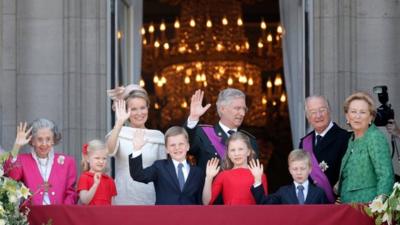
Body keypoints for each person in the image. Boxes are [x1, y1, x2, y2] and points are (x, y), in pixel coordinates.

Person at [106, 84, 166, 205]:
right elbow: (109, 150)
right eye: (133, 109)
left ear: (148, 107)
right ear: (126, 111)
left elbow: (163, 172)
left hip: (150, 197)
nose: (139, 113)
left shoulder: (158, 136)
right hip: (123, 196)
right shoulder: (119, 132)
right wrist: (118, 124)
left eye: (142, 107)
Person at [5, 119, 77, 205]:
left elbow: (71, 193)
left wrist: (62, 213)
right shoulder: (22, 160)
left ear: (53, 140)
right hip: (32, 215)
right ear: (32, 141)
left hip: (60, 215)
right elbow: (11, 177)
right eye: (39, 139)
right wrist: (16, 146)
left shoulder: (67, 162)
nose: (44, 144)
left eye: (48, 139)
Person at [338, 92, 394, 203]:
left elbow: (385, 175)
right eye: (353, 112)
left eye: (362, 112)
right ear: (347, 116)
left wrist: (379, 207)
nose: (357, 116)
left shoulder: (374, 137)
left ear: (371, 117)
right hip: (348, 207)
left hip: (367, 209)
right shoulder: (352, 139)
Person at [185, 89, 258, 171]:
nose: (242, 113)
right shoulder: (203, 134)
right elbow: (183, 147)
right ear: (222, 109)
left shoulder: (250, 140)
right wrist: (193, 118)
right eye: (237, 108)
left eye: (244, 109)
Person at [129, 126, 204, 205]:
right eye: (172, 145)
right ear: (166, 149)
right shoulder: (159, 167)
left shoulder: (198, 172)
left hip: (190, 216)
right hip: (164, 216)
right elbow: (138, 175)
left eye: (181, 144)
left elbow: (199, 201)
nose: (177, 148)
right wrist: (137, 149)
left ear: (188, 146)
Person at [299, 95, 350, 202]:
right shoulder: (304, 142)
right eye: (313, 112)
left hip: (336, 204)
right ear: (307, 116)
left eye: (322, 110)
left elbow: (350, 174)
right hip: (311, 205)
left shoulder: (345, 138)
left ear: (329, 111)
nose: (318, 115)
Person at [202, 132, 267, 205]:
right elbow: (206, 202)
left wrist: (258, 179)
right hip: (230, 215)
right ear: (228, 154)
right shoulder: (223, 175)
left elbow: (264, 204)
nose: (236, 154)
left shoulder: (259, 175)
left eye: (240, 149)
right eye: (232, 150)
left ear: (248, 151)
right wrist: (209, 178)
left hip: (252, 216)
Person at [251, 149, 328, 204]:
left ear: (310, 169)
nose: (299, 172)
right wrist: (257, 180)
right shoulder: (283, 192)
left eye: (303, 168)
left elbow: (327, 216)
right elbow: (265, 203)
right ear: (290, 170)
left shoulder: (319, 193)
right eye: (295, 169)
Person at [77, 140, 117, 205]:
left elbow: (113, 204)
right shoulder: (84, 178)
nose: (101, 161)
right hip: (89, 214)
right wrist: (95, 185)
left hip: (105, 215)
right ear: (87, 158)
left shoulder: (110, 181)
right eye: (97, 158)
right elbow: (84, 200)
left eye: (104, 158)